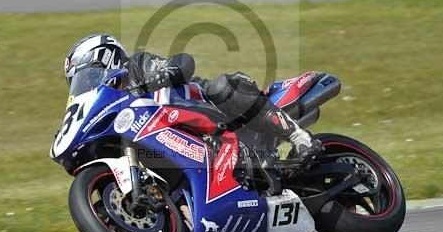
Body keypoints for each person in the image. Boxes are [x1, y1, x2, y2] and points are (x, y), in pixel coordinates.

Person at [58, 33, 321, 163]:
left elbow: (182, 62)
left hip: (221, 112)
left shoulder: (136, 67)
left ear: (105, 58)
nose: (86, 84)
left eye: (87, 76)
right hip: (187, 148)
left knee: (222, 85)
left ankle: (300, 137)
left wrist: (166, 73)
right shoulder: (111, 107)